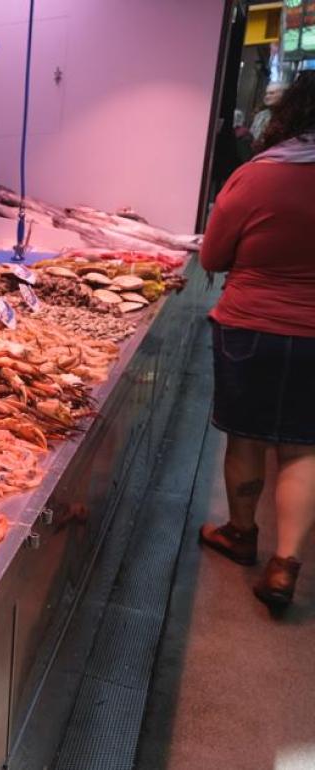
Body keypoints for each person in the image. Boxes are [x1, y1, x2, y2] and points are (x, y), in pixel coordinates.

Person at [198, 72, 315, 613]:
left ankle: (241, 534)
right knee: (303, 446)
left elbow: (213, 256)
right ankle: (285, 564)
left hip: (252, 326)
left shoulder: (256, 177)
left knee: (246, 436)